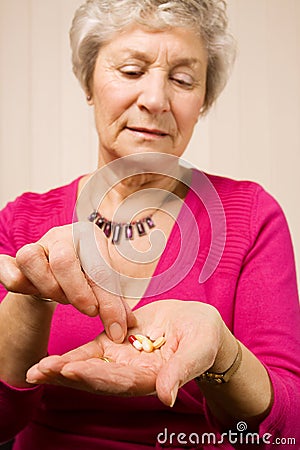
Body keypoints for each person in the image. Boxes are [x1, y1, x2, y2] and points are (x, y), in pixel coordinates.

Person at [0, 0, 299, 449]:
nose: (156, 100)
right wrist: (32, 297)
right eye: (132, 70)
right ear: (89, 82)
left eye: (182, 79)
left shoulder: (252, 214)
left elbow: (285, 435)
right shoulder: (22, 221)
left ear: (203, 100)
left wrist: (223, 351)